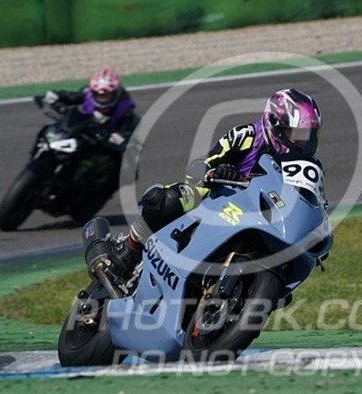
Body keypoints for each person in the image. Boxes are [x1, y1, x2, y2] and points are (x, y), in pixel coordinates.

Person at [109, 88, 324, 278]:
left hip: (266, 219)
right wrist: (217, 172)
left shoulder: (309, 167)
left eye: (308, 136)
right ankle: (129, 249)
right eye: (295, 135)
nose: (302, 143)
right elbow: (198, 168)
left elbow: (316, 203)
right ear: (273, 125)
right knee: (170, 199)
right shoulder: (246, 136)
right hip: (221, 201)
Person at [41, 67, 139, 150]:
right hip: (83, 134)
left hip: (105, 146)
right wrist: (56, 96)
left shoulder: (126, 110)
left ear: (115, 93)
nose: (102, 99)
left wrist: (119, 137)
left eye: (106, 95)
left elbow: (128, 136)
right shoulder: (87, 94)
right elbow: (71, 97)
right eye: (98, 95)